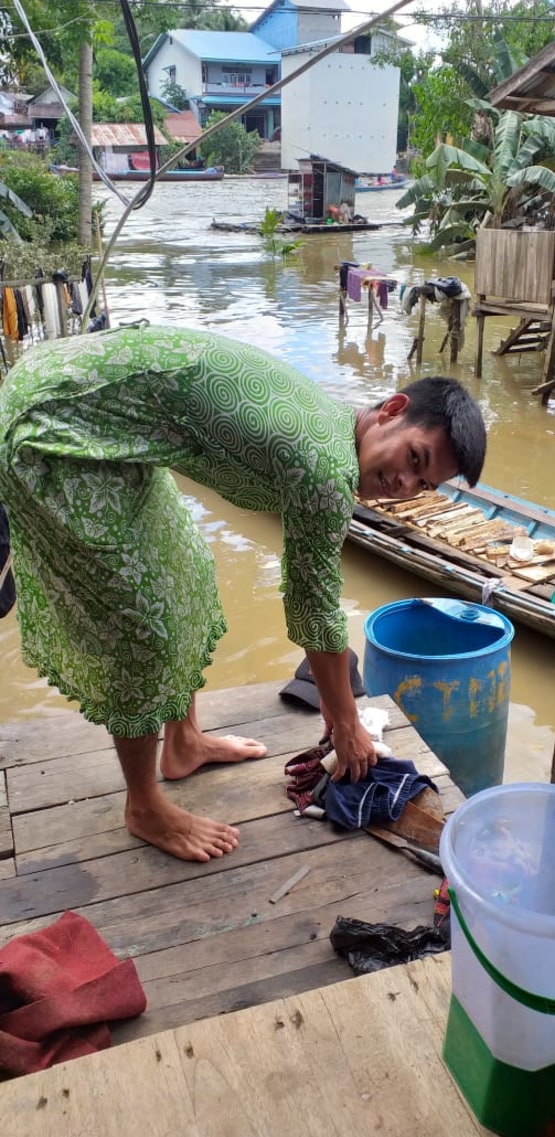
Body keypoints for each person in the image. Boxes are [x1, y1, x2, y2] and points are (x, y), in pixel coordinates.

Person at [0, 326, 486, 863]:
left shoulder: (335, 423)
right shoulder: (324, 466)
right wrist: (345, 721)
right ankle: (143, 806)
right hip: (50, 426)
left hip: (94, 414)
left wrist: (335, 702)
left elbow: (312, 603)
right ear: (391, 409)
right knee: (140, 628)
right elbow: (312, 603)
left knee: (184, 569)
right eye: (414, 460)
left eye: (423, 484)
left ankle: (182, 744)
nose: (404, 485)